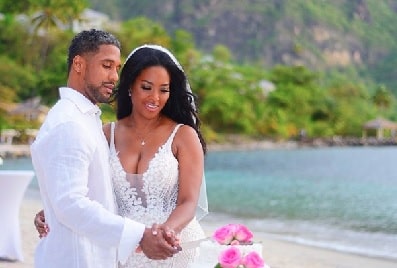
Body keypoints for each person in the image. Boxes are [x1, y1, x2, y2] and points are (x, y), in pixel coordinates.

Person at [30, 30, 180, 268]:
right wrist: (139, 234)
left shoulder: (86, 119)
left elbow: (79, 191)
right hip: (77, 258)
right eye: (106, 66)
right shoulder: (69, 123)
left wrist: (51, 206)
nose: (114, 76)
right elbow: (70, 203)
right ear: (79, 64)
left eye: (117, 68)